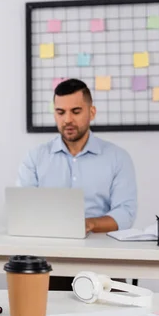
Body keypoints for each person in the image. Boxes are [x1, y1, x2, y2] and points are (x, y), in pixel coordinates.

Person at [17, 78, 137, 290]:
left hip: (103, 262)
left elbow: (125, 214)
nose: (67, 119)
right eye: (60, 112)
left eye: (76, 111)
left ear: (91, 112)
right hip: (49, 261)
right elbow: (22, 209)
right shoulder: (35, 158)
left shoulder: (118, 158)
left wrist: (89, 224)